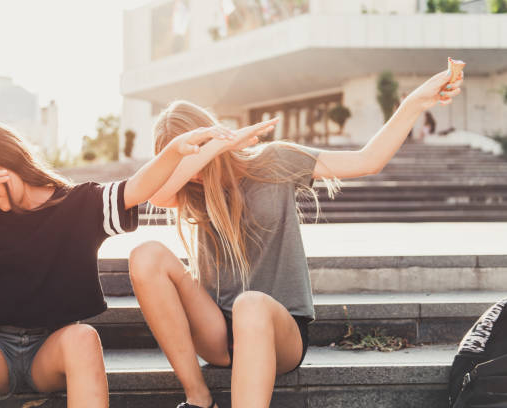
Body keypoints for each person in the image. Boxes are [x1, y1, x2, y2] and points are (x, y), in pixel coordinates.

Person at [128, 68, 464, 408]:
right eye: (178, 159)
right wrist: (203, 152)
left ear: (210, 136)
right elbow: (154, 195)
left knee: (250, 303)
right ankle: (199, 398)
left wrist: (414, 101)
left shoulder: (274, 161)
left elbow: (368, 160)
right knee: (145, 255)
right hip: (214, 330)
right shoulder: (185, 189)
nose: (193, 170)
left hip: (277, 329)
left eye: (195, 151)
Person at [0, 119, 275, 408]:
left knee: (83, 338)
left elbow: (138, 187)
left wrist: (175, 151)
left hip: (51, 351)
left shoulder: (78, 205)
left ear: (4, 162)